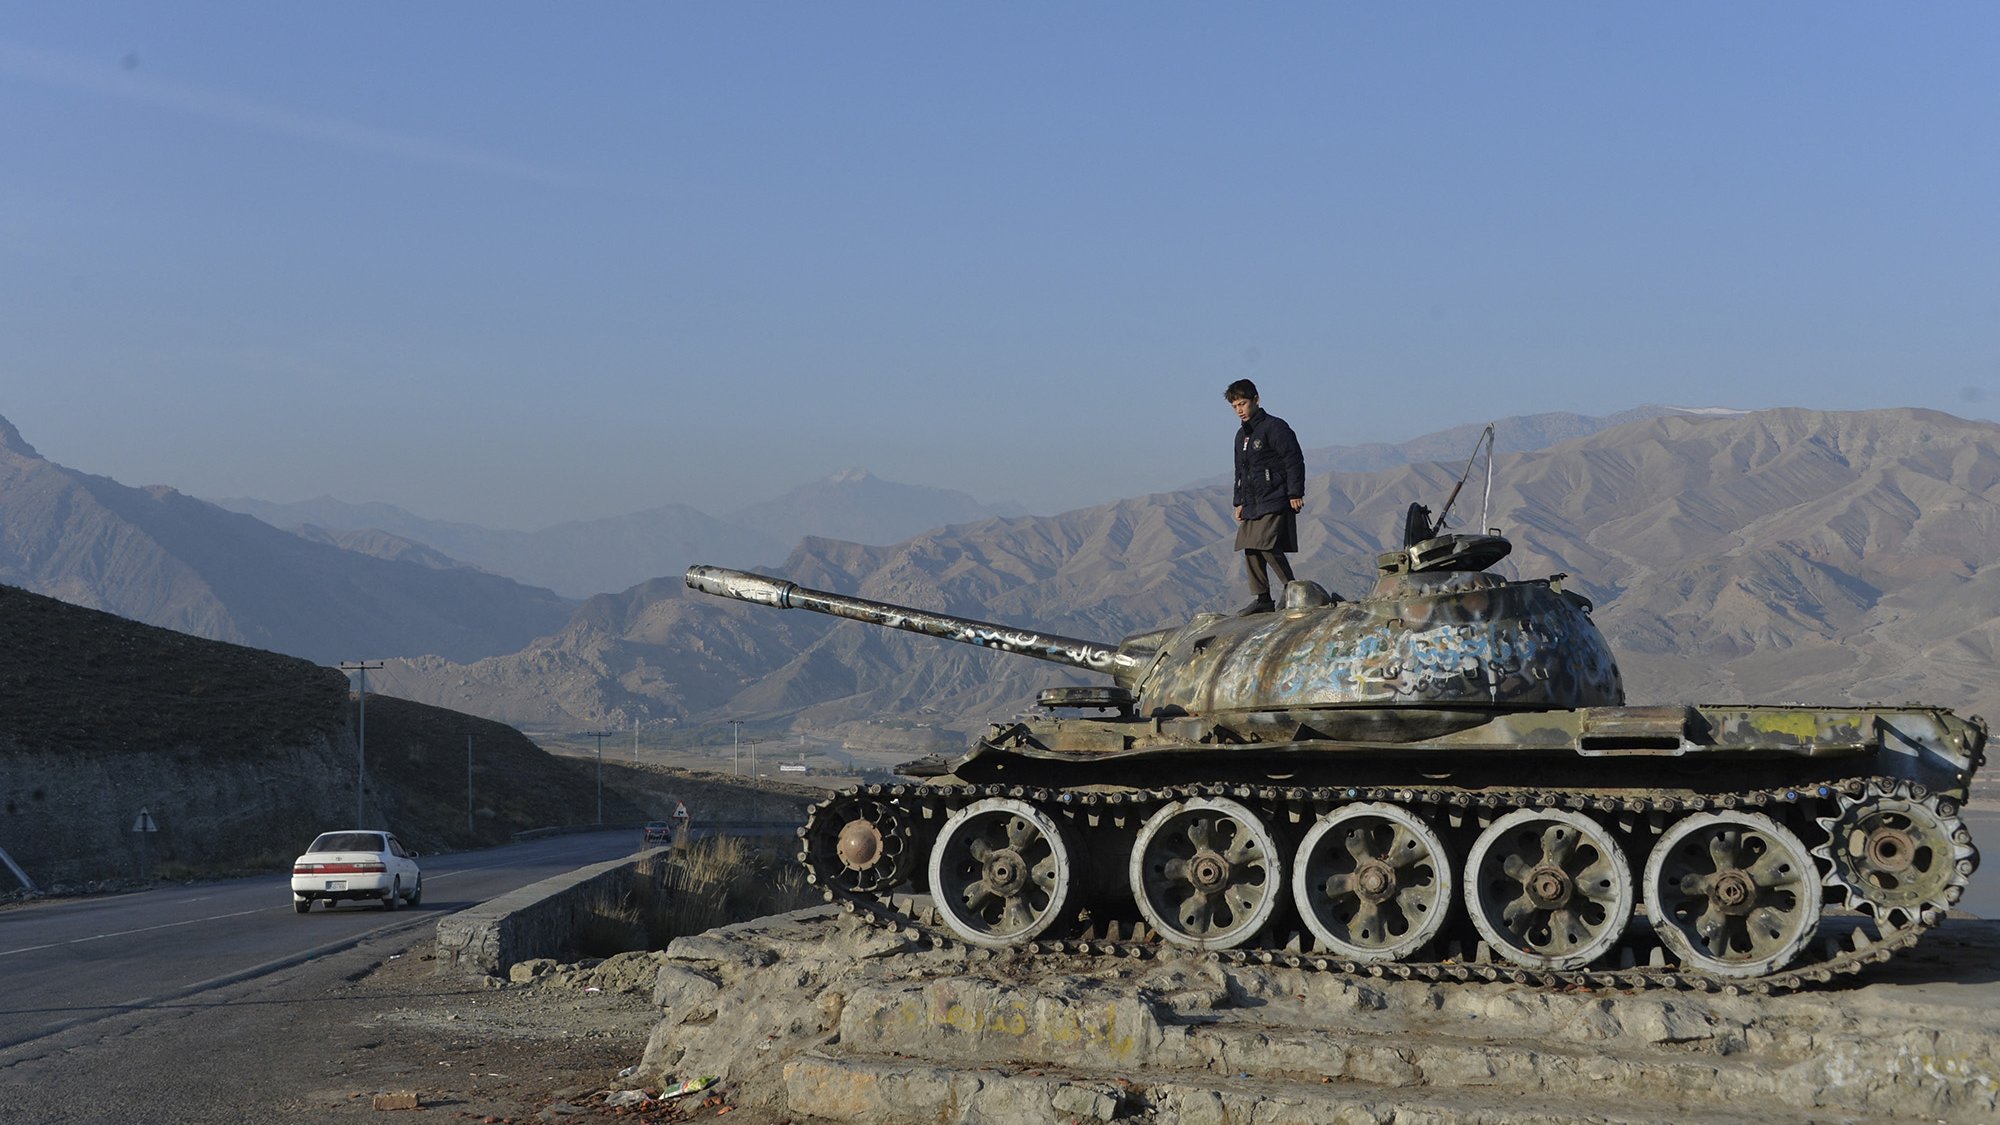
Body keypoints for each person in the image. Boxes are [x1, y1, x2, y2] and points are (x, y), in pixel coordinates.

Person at [1225, 378, 1305, 614]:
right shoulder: (1241, 436)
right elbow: (1240, 471)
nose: (1239, 410)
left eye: (1242, 403)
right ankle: (1263, 599)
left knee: (1265, 543)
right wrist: (1239, 501)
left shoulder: (1275, 427)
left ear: (1256, 400)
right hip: (1253, 501)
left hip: (1276, 495)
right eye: (1234, 406)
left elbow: (1293, 459)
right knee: (1249, 547)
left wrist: (1295, 492)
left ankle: (1292, 589)